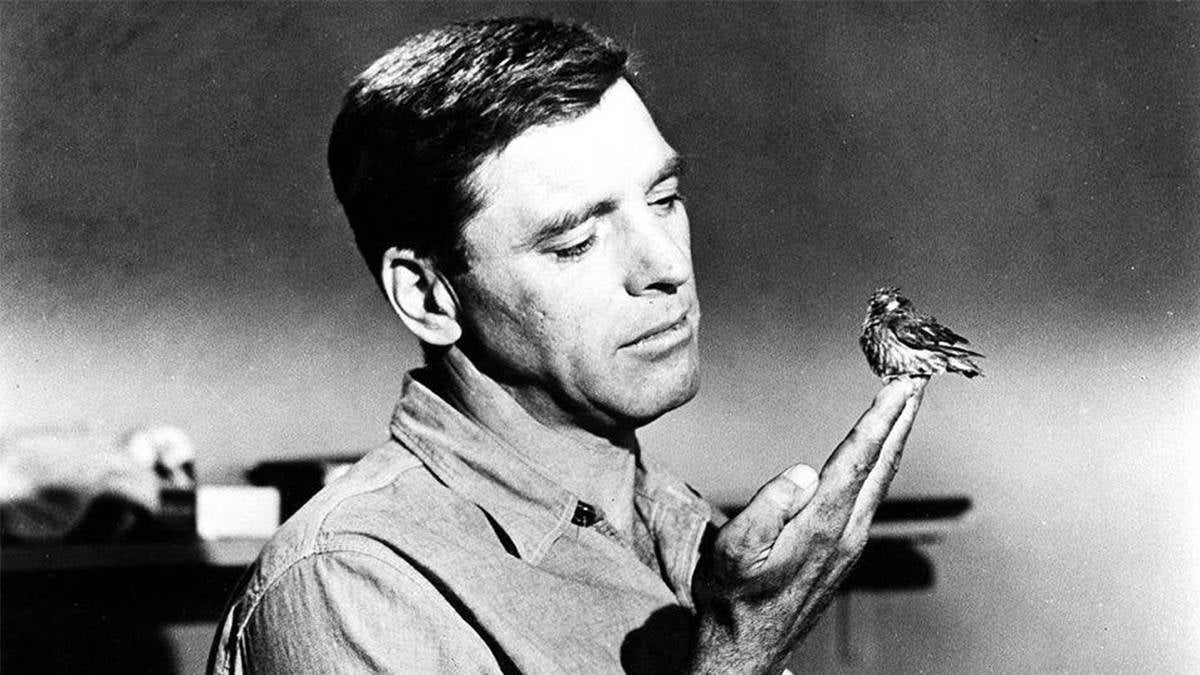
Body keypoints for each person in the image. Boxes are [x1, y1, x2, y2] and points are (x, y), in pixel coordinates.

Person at [209, 16, 925, 674]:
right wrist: (741, 651)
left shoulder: (693, 535)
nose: (666, 266)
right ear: (428, 296)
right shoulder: (350, 583)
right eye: (575, 241)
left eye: (665, 199)